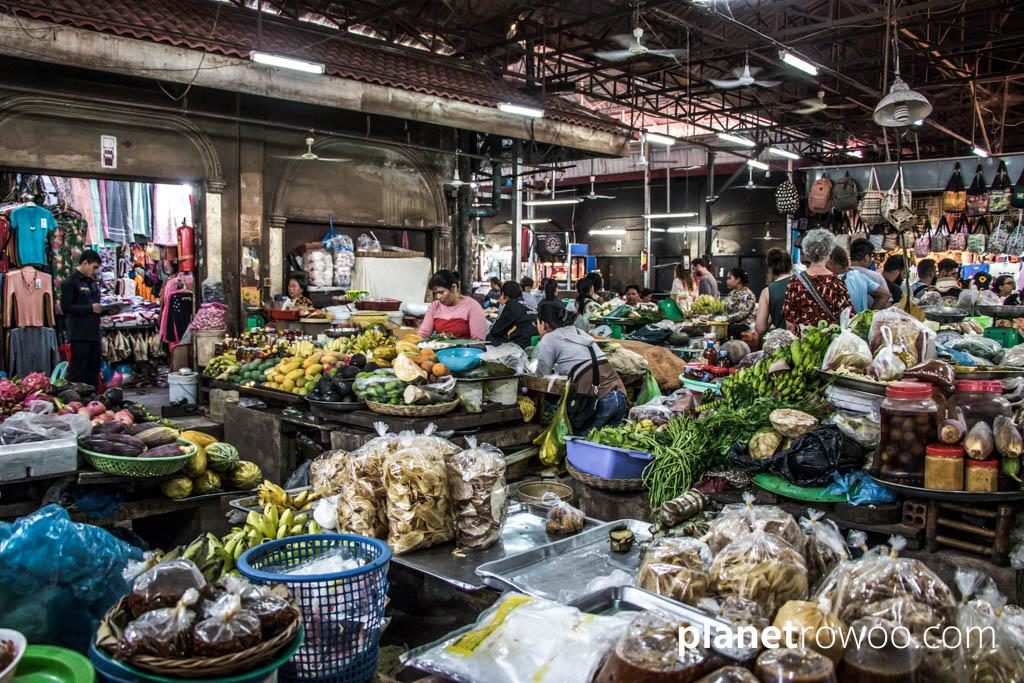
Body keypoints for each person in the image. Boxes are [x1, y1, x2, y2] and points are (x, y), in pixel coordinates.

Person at [535, 301, 627, 433]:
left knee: (582, 441)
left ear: (543, 324)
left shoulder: (549, 338)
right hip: (620, 394)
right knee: (607, 441)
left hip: (597, 401)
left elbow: (541, 375)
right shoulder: (579, 332)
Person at [782, 230, 852, 331]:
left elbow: (790, 324)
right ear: (829, 252)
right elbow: (847, 316)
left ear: (807, 251)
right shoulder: (837, 282)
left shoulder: (794, 282)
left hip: (803, 339)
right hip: (830, 338)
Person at [61, 250, 103, 386]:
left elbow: (96, 306)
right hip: (79, 334)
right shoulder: (70, 282)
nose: (95, 271)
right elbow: (66, 307)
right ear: (85, 263)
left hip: (94, 333)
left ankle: (92, 397)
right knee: (77, 372)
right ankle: (74, 397)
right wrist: (90, 308)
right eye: (94, 267)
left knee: (93, 371)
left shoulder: (92, 283)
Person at [418, 269, 488, 339]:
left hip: (465, 346)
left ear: (453, 288)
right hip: (440, 346)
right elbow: (424, 334)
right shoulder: (435, 306)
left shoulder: (472, 306)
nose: (438, 297)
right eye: (435, 293)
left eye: (441, 292)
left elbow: (478, 340)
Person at [828, 246, 890, 313]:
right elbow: (885, 294)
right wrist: (870, 315)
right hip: (861, 319)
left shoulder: (833, 282)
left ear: (831, 263)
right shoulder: (859, 276)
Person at [486, 281, 538, 349]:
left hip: (520, 346)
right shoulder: (527, 305)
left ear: (504, 295)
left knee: (489, 337)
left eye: (501, 295)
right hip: (532, 342)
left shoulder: (511, 305)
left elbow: (495, 331)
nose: (499, 298)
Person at [755, 249, 794, 336]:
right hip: (806, 340)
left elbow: (760, 329)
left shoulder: (767, 291)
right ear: (790, 266)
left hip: (782, 341)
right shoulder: (802, 284)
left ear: (770, 268)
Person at [724, 268, 756, 338]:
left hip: (744, 325)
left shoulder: (747, 295)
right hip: (731, 323)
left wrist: (725, 319)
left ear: (738, 280)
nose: (727, 281)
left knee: (728, 328)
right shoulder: (731, 293)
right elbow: (726, 309)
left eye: (729, 278)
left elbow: (742, 314)